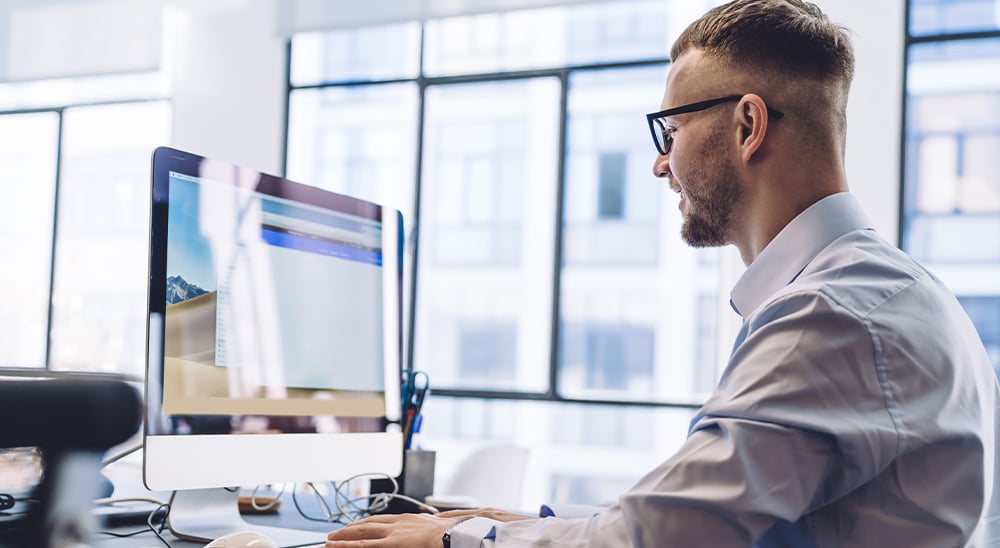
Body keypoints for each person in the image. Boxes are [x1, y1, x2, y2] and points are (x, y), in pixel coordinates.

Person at [327, 0, 1000, 546]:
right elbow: (708, 509)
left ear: (747, 125)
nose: (659, 164)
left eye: (669, 132)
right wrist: (515, 525)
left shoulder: (831, 314)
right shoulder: (883, 292)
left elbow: (665, 538)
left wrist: (457, 541)